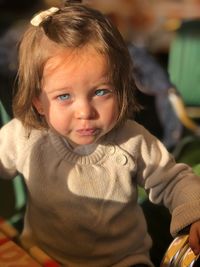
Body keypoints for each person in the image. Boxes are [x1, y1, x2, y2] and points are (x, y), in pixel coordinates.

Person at [1, 1, 200, 266]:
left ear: (121, 89)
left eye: (100, 92)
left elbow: (174, 181)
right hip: (44, 257)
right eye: (64, 96)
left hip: (123, 261)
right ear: (37, 100)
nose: (85, 111)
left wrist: (195, 212)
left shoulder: (132, 140)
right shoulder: (25, 137)